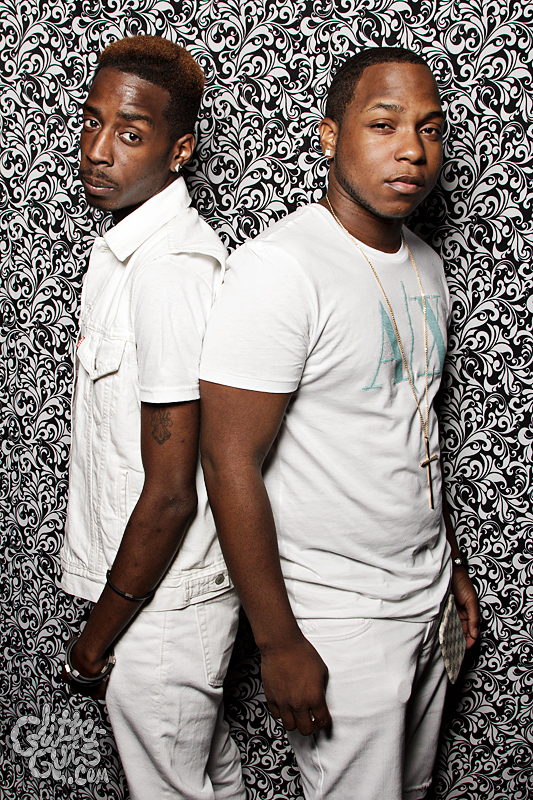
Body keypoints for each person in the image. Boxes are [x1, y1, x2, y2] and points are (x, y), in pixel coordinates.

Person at [199, 47, 480, 800]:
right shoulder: (280, 268)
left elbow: (410, 427)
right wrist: (279, 641)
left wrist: (446, 564)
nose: (412, 149)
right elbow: (226, 460)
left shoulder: (424, 262)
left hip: (426, 599)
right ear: (330, 136)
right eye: (383, 124)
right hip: (338, 616)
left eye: (429, 128)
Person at [60, 35, 245, 800]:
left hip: (162, 609)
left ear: (180, 150)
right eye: (92, 121)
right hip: (156, 596)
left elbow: (172, 492)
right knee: (210, 781)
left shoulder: (169, 272)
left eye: (130, 134)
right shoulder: (126, 253)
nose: (98, 150)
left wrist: (96, 639)